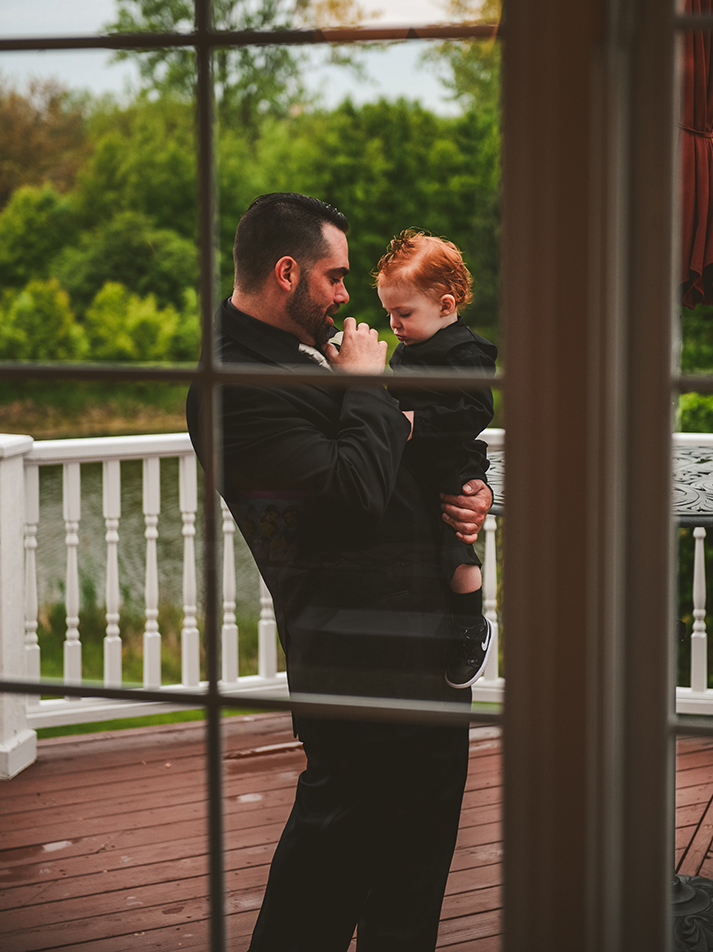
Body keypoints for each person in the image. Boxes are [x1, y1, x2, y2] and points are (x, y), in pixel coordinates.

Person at [186, 192, 492, 952]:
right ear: (287, 272)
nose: (346, 296)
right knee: (325, 875)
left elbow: (392, 457)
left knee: (413, 874)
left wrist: (469, 493)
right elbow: (349, 499)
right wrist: (364, 379)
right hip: (356, 658)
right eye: (335, 277)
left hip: (423, 646)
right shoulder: (230, 387)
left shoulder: (301, 353)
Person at [374, 229, 498, 689]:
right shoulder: (412, 348)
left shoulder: (465, 351)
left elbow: (476, 410)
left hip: (450, 461)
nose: (394, 324)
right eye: (389, 313)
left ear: (446, 305)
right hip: (414, 461)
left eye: (403, 313)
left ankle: (472, 627)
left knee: (454, 547)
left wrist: (413, 423)